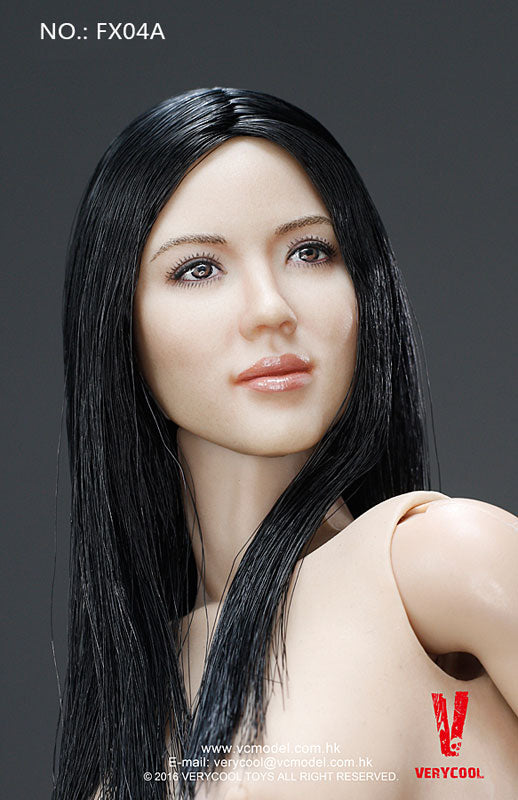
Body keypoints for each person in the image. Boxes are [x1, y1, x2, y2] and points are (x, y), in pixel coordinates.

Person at [54, 88, 518, 800]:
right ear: (117, 320)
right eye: (198, 268)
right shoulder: (144, 690)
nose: (271, 308)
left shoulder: (446, 566)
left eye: (311, 251)